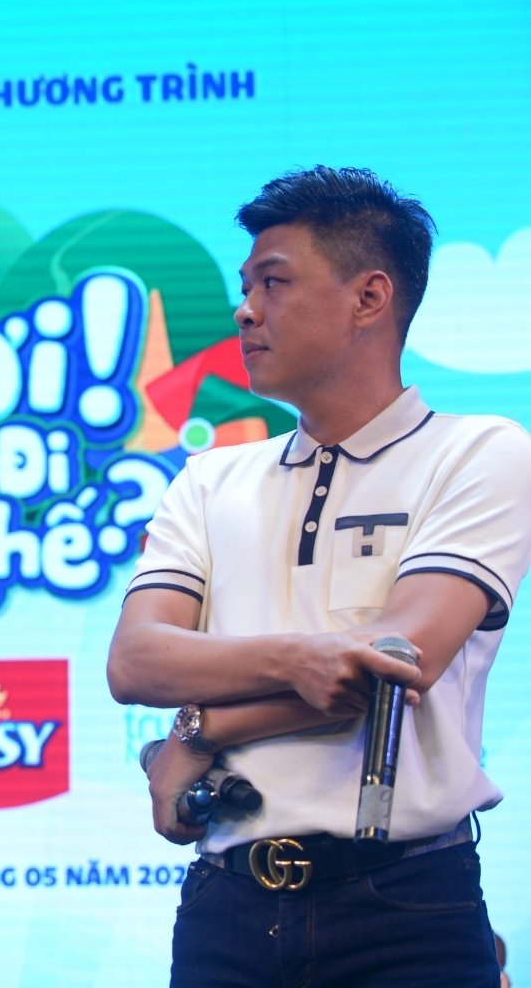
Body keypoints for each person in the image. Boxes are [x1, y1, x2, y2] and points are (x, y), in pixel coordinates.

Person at [108, 165, 531, 986]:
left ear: (370, 298)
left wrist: (202, 733)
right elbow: (135, 662)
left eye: (273, 282)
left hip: (405, 902)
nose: (245, 310)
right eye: (245, 287)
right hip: (226, 904)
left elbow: (395, 664)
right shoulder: (210, 477)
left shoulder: (480, 451)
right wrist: (301, 659)